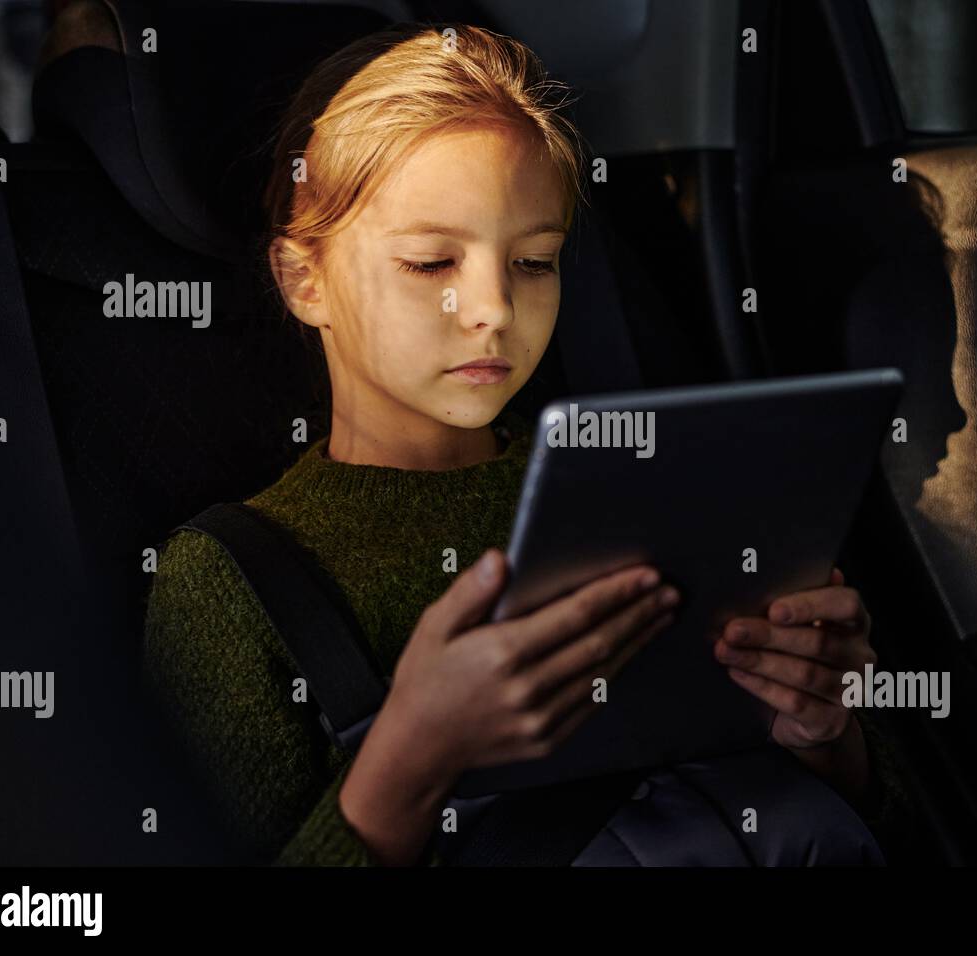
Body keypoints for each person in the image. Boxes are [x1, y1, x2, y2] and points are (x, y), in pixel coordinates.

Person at [142, 22, 913, 866]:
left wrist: (821, 728)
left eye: (535, 262)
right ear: (305, 280)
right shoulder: (226, 582)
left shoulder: (654, 490)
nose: (494, 309)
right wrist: (415, 753)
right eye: (433, 263)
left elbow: (853, 814)